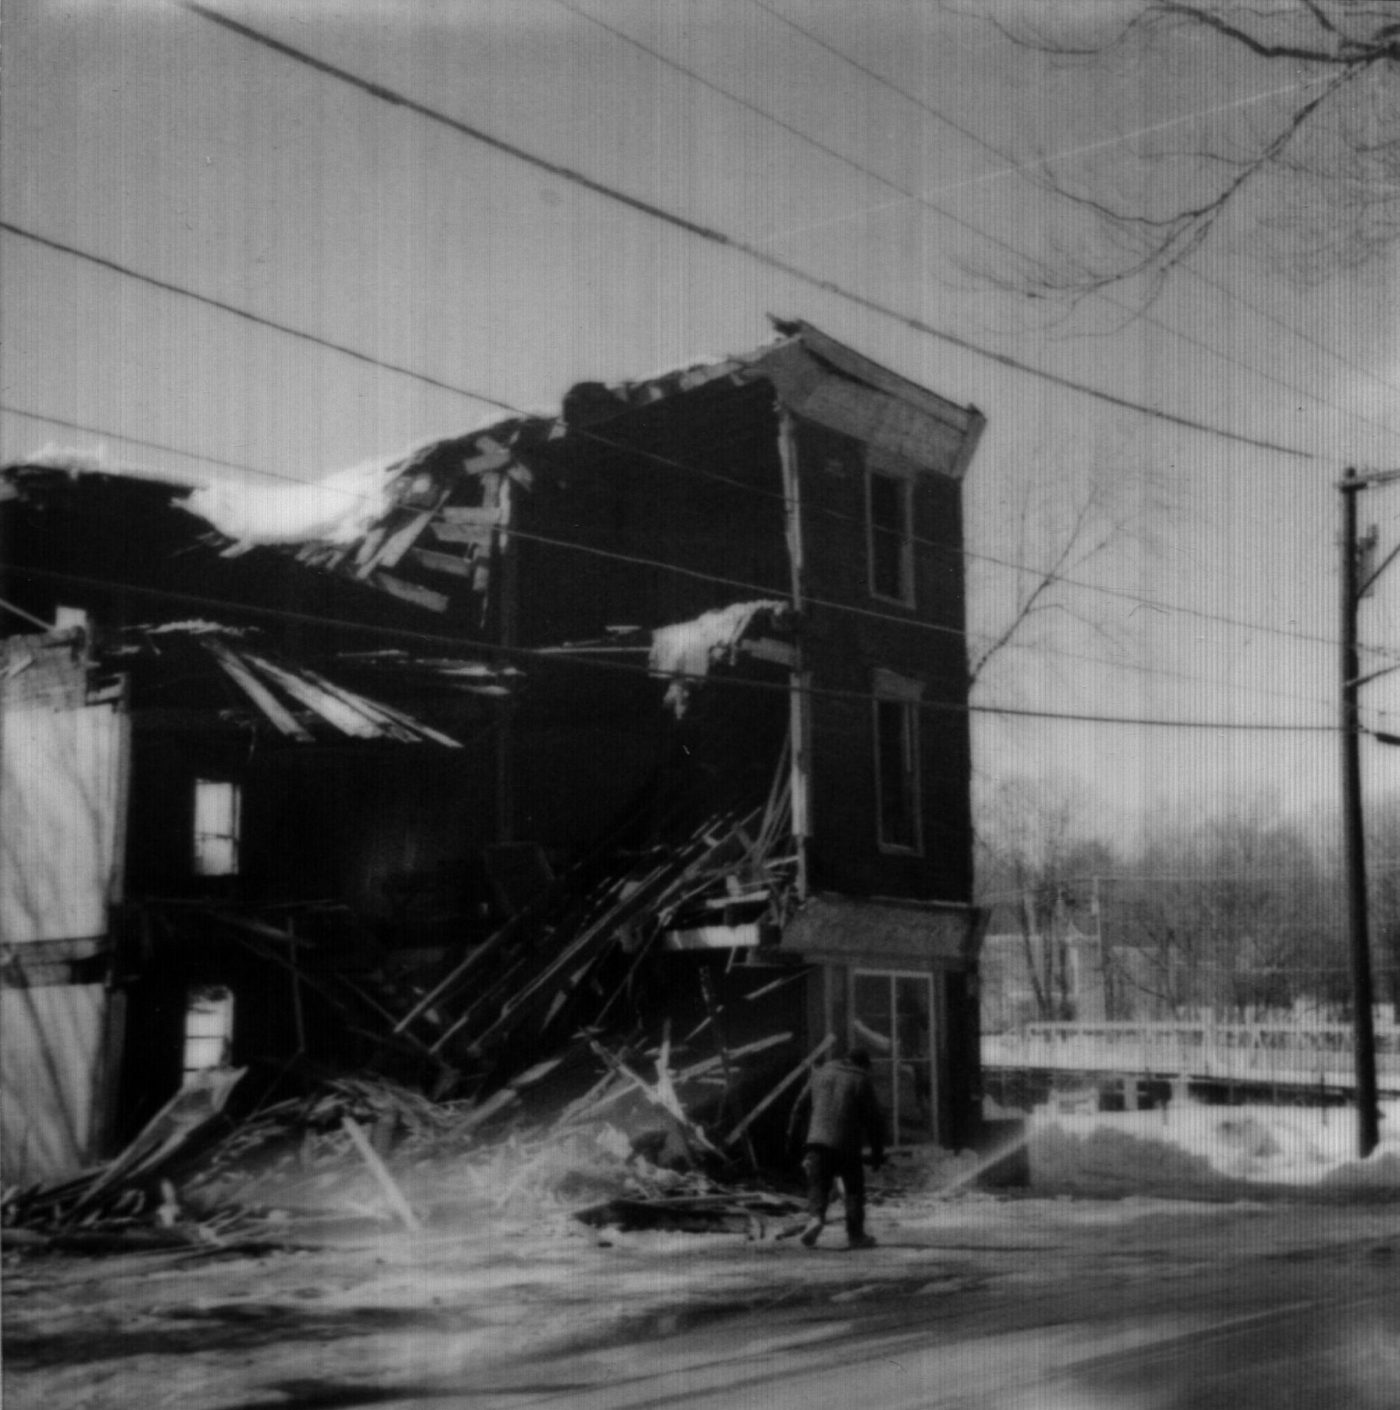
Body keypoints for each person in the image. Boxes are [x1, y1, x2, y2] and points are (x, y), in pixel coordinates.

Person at [790, 1045, 886, 1250]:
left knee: (818, 1185)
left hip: (816, 1142)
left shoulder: (819, 1074)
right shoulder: (861, 1079)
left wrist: (794, 1141)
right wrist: (878, 1152)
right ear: (863, 1065)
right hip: (847, 1144)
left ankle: (816, 1218)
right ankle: (855, 1235)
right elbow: (874, 1120)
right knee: (853, 1190)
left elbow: (798, 1108)